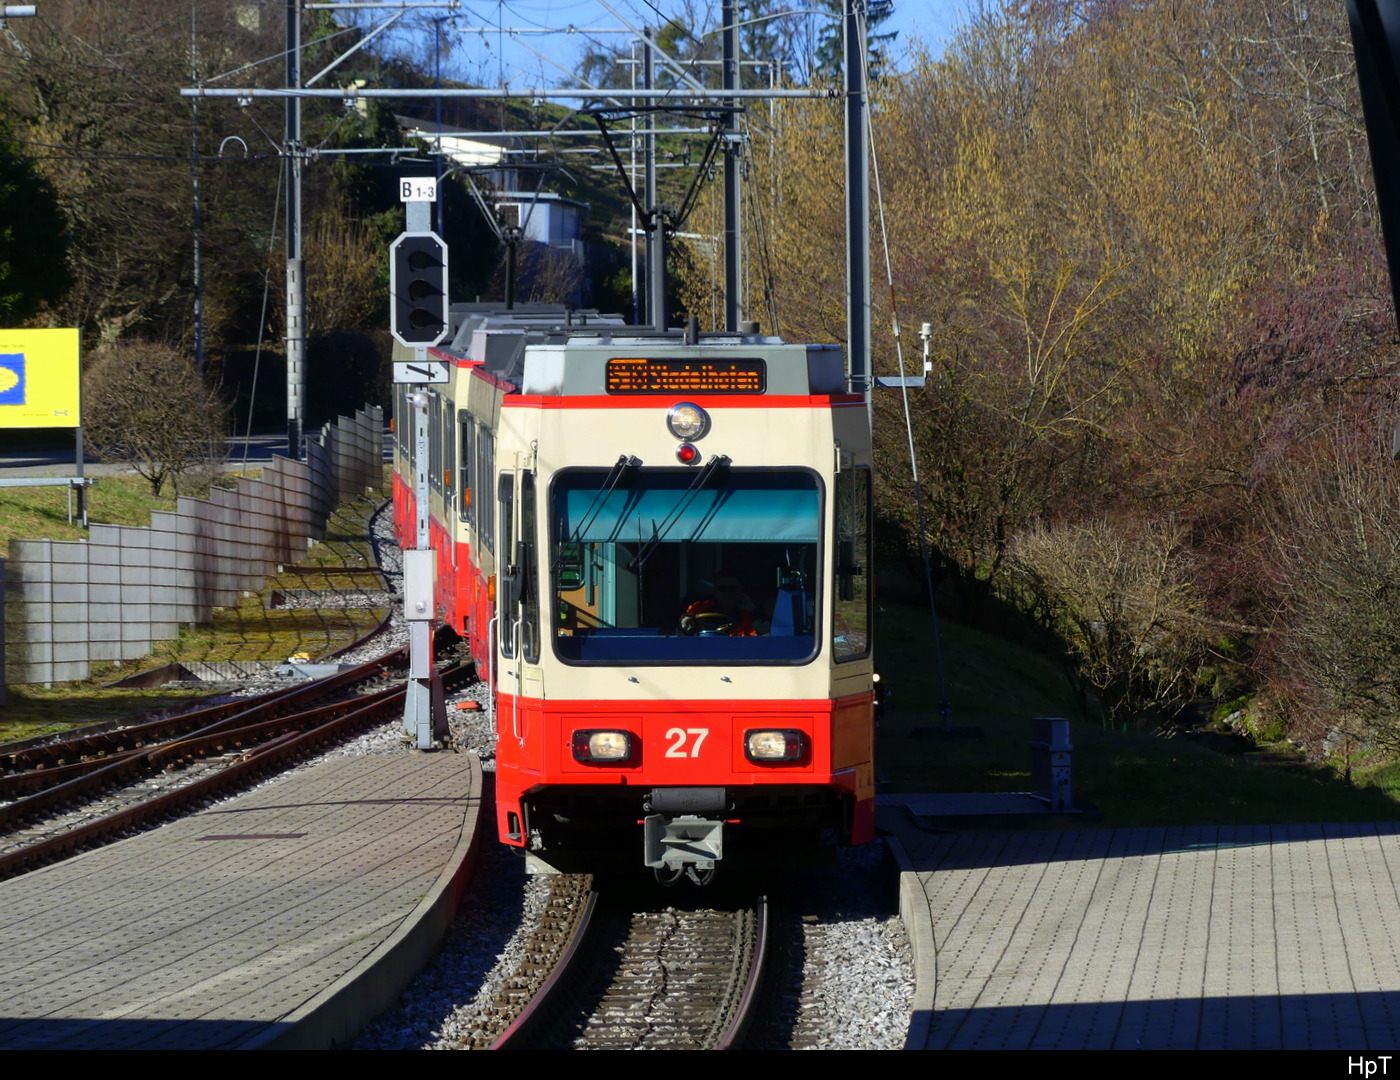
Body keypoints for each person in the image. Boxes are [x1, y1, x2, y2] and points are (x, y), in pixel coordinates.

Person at [681, 569, 760, 636]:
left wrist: (753, 611)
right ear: (715, 590)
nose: (726, 593)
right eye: (721, 589)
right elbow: (685, 623)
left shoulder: (747, 613)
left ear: (739, 591)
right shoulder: (700, 608)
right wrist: (687, 620)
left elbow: (761, 636)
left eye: (731, 589)